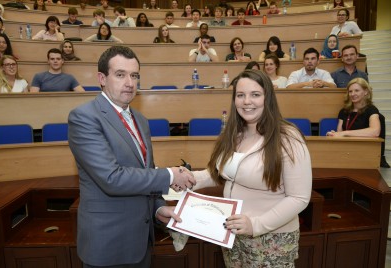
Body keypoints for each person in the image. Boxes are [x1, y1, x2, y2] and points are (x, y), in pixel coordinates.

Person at [68, 45, 196, 267]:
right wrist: (169, 175)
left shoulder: (140, 119)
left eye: (134, 75)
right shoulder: (84, 117)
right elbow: (111, 178)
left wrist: (157, 208)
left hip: (140, 240)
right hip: (108, 245)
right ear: (102, 78)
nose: (129, 82)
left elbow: (144, 173)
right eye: (120, 74)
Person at [191, 69, 312, 267]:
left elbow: (299, 198)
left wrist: (255, 225)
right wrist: (186, 179)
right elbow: (219, 173)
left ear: (268, 98)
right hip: (233, 234)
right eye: (240, 95)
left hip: (271, 239)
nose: (247, 101)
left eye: (255, 94)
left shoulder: (288, 137)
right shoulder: (234, 133)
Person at [326, 78, 389, 168]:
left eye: (356, 91)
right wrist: (334, 134)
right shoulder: (343, 111)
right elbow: (339, 134)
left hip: (364, 154)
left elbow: (375, 131)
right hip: (346, 153)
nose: (353, 94)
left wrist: (345, 133)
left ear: (366, 92)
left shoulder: (371, 110)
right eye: (350, 91)